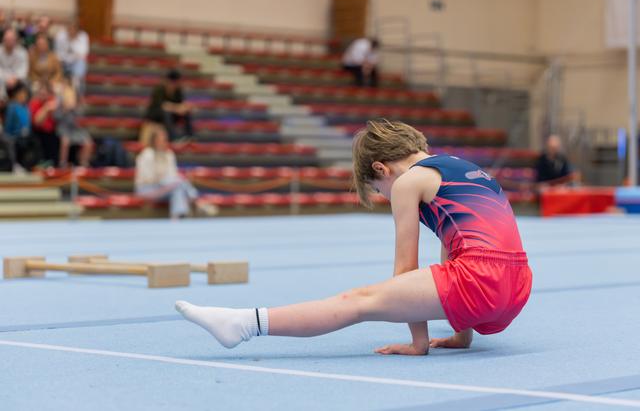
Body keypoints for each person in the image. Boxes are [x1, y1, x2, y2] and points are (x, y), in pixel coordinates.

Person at [175, 120, 533, 355]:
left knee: (360, 300)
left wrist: (418, 343)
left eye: (379, 189)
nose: (385, 195)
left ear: (381, 169)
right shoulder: (465, 168)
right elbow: (453, 255)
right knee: (448, 271)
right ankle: (244, 322)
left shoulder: (409, 181)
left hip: (479, 280)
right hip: (516, 286)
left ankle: (245, 323)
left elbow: (406, 268)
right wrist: (461, 335)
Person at [134, 128, 198, 219]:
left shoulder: (169, 154)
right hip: (147, 189)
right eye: (162, 140)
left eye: (165, 139)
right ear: (154, 141)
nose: (164, 142)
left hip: (167, 187)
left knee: (177, 189)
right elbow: (148, 178)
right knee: (177, 184)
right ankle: (192, 195)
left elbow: (173, 174)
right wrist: (165, 180)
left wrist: (169, 182)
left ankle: (177, 218)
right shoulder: (146, 155)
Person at [54, 74, 92, 167]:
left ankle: (84, 163)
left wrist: (75, 107)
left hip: (75, 128)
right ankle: (63, 163)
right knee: (65, 142)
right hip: (64, 128)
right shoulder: (59, 100)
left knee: (88, 143)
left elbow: (81, 115)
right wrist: (64, 109)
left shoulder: (77, 101)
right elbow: (56, 117)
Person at [145, 69, 193, 140]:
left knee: (186, 112)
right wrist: (176, 108)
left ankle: (189, 136)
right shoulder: (159, 89)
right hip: (156, 115)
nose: (174, 85)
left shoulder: (178, 90)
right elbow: (163, 105)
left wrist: (185, 107)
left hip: (172, 113)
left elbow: (182, 104)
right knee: (166, 113)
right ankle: (173, 138)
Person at [29, 80, 59, 165]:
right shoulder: (34, 103)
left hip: (53, 133)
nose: (42, 96)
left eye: (45, 94)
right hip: (39, 133)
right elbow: (37, 123)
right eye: (41, 93)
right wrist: (46, 109)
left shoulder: (53, 102)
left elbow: (59, 119)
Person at [55, 21, 89, 94]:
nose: (71, 31)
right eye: (69, 28)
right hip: (62, 62)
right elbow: (58, 52)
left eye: (74, 29)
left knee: (81, 63)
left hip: (76, 62)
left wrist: (72, 41)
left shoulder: (83, 36)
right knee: (55, 63)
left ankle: (78, 93)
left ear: (77, 30)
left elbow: (83, 53)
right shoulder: (60, 36)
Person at [0, 29, 28, 98]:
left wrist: (15, 79)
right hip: (1, 80)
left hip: (17, 80)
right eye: (7, 40)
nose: (9, 42)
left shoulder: (22, 52)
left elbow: (23, 69)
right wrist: (7, 79)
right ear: (3, 40)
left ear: (16, 41)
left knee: (26, 87)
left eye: (11, 40)